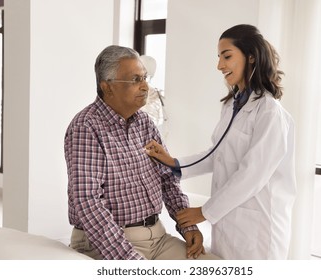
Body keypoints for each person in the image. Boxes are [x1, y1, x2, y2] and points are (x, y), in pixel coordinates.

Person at [145, 24, 297, 260]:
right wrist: (172, 162)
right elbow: (217, 155)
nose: (219, 65)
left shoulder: (269, 112)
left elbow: (253, 174)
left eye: (227, 56)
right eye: (219, 57)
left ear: (251, 57)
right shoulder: (231, 105)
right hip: (230, 222)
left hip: (259, 227)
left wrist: (205, 212)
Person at [64, 45, 219, 260]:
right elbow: (88, 202)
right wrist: (130, 261)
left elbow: (167, 180)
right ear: (107, 87)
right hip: (108, 244)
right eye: (135, 80)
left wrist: (189, 227)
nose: (145, 86)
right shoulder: (86, 127)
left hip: (158, 238)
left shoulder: (145, 123)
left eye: (145, 78)